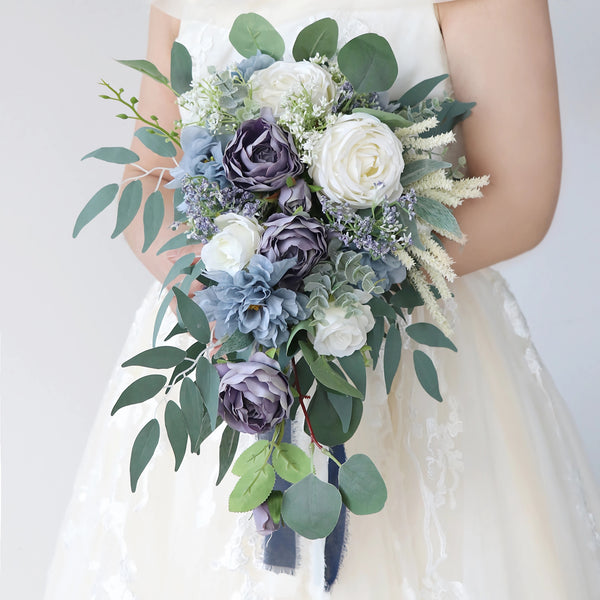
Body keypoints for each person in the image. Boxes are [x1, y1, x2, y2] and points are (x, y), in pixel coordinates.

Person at [44, 1, 600, 598]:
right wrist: (230, 302)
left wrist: (329, 289)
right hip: (226, 350)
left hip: (404, 345)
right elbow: (148, 173)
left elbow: (520, 198)